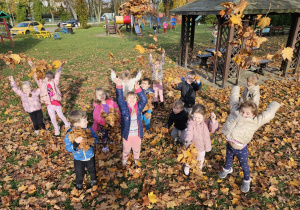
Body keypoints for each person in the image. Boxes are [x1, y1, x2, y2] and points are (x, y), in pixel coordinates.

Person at [219, 86, 281, 193]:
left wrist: (274, 104)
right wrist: (236, 88)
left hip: (241, 150)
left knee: (244, 165)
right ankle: (227, 169)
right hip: (229, 144)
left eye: (247, 113)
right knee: (228, 158)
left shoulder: (254, 121)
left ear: (253, 114)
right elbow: (233, 99)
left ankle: (247, 180)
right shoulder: (235, 111)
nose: (244, 114)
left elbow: (267, 115)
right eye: (242, 111)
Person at [30, 60, 70, 136]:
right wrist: (32, 66)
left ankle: (67, 124)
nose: (48, 79)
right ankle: (56, 128)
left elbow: (58, 75)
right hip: (49, 105)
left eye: (51, 78)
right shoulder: (42, 84)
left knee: (61, 115)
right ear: (44, 78)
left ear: (53, 78)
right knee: (52, 118)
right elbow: (36, 76)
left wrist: (61, 66)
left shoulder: (54, 83)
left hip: (57, 104)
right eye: (47, 77)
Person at [114, 78, 147, 166]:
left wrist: (138, 90)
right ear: (126, 100)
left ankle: (136, 158)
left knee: (137, 148)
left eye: (134, 98)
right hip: (127, 134)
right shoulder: (124, 107)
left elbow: (144, 100)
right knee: (126, 149)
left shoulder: (138, 107)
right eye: (129, 98)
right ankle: (124, 158)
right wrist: (119, 87)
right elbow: (119, 99)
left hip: (137, 134)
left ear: (136, 100)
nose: (132, 99)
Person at [64, 110, 98, 190]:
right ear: (76, 124)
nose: (87, 121)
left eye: (86, 119)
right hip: (78, 158)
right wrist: (75, 143)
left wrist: (90, 142)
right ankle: (79, 183)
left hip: (90, 155)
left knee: (92, 169)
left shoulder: (89, 130)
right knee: (79, 173)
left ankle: (93, 179)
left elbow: (95, 138)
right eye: (84, 120)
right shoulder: (70, 134)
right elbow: (68, 148)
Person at [183, 104, 219, 176]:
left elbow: (212, 129)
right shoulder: (191, 123)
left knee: (201, 157)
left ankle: (199, 167)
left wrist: (213, 121)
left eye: (199, 118)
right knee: (190, 157)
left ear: (204, 116)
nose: (196, 119)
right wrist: (188, 140)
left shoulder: (206, 122)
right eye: (195, 117)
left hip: (203, 145)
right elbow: (189, 131)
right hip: (193, 145)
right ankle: (187, 166)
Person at [92, 87, 120, 152]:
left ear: (105, 94)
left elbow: (117, 110)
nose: (102, 96)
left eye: (103, 94)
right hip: (104, 124)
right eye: (99, 95)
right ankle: (105, 145)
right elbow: (96, 116)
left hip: (112, 122)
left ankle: (112, 141)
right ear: (96, 97)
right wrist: (104, 122)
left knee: (112, 132)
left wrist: (117, 119)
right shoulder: (98, 106)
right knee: (105, 134)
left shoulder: (111, 102)